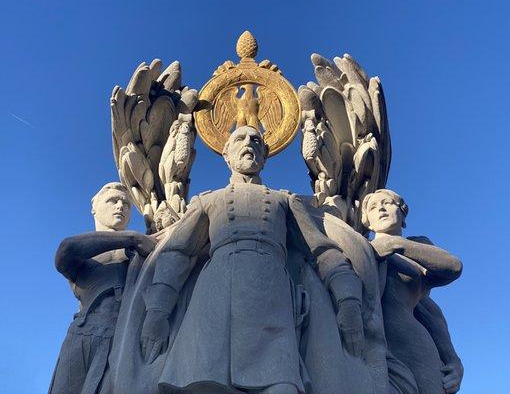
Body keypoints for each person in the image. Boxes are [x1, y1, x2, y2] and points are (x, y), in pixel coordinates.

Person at [139, 126, 362, 394]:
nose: (249, 143)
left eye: (256, 140)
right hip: (214, 301)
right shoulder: (209, 200)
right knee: (204, 385)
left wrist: (348, 301)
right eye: (240, 139)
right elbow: (177, 252)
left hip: (271, 300)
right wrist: (158, 311)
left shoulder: (284, 200)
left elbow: (323, 251)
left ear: (265, 155)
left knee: (282, 386)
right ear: (226, 154)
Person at [49, 182, 157, 394]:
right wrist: (132, 238)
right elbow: (65, 251)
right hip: (88, 333)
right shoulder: (86, 250)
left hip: (128, 335)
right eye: (113, 201)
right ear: (95, 208)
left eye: (126, 203)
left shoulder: (141, 250)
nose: (120, 206)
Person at [361, 189, 463, 394]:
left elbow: (452, 268)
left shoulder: (416, 248)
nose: (380, 208)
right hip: (363, 341)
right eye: (373, 207)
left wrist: (453, 359)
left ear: (403, 215)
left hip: (410, 345)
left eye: (388, 203)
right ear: (367, 222)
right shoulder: (360, 247)